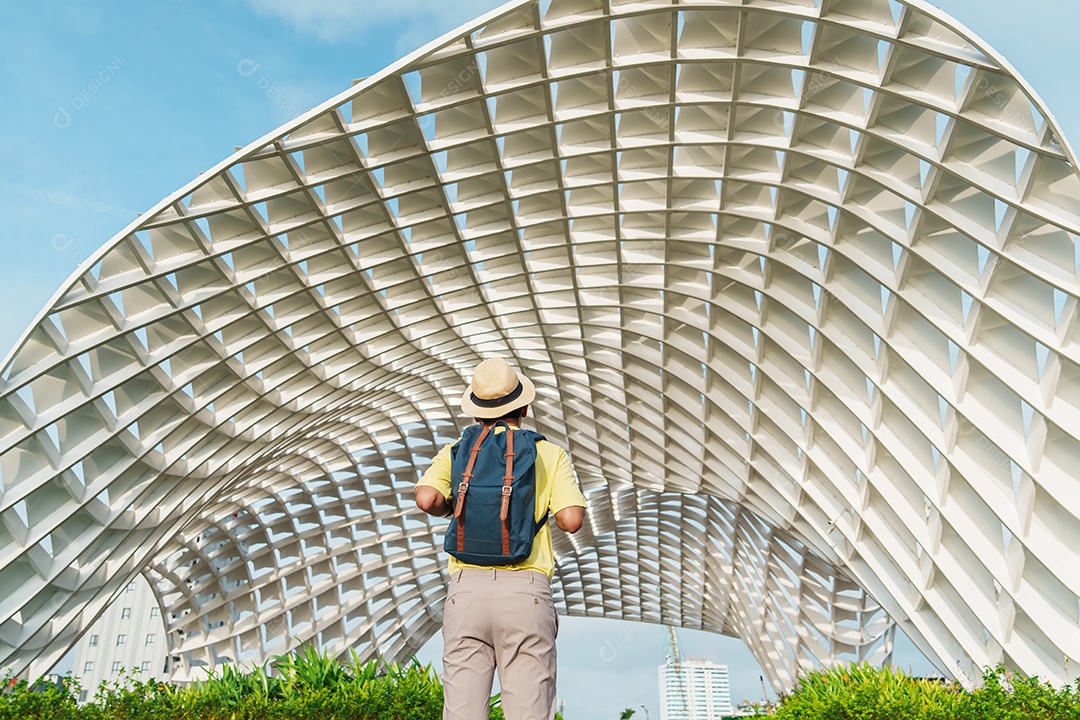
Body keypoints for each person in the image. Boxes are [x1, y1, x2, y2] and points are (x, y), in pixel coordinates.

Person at [415, 357, 587, 720]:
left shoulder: (457, 452)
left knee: (462, 713)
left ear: (476, 412)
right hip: (525, 592)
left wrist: (454, 508)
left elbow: (426, 498)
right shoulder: (548, 453)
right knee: (527, 711)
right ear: (524, 407)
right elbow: (571, 520)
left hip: (466, 591)